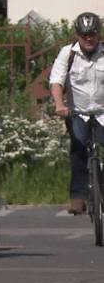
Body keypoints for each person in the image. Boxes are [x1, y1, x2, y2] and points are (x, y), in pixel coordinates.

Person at [49, 12, 104, 215]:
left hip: (102, 112)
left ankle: (101, 190)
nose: (88, 38)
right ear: (77, 35)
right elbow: (56, 81)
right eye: (84, 35)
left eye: (92, 34)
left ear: (98, 34)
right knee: (79, 149)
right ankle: (78, 196)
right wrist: (58, 104)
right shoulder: (68, 53)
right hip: (77, 113)